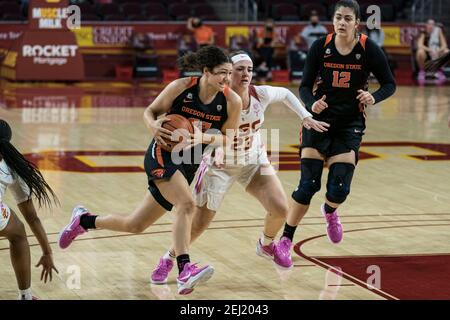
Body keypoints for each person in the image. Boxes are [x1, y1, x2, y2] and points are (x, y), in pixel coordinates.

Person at [58, 45, 242, 295]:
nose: (227, 79)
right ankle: (185, 270)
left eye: (230, 73)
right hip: (162, 154)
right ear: (206, 72)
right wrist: (153, 126)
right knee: (187, 205)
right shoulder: (181, 87)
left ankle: (84, 220)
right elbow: (150, 112)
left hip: (189, 161)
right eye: (222, 72)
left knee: (136, 224)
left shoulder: (231, 101)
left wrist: (201, 138)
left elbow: (228, 139)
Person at [149, 51, 329, 284]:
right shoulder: (218, 99)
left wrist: (305, 116)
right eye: (240, 69)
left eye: (250, 69)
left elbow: (285, 93)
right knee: (199, 225)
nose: (246, 74)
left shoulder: (260, 94)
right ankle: (169, 258)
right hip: (219, 165)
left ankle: (266, 245)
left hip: (253, 159)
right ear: (227, 73)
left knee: (280, 209)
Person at [278, 0, 396, 264]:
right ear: (333, 20)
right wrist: (311, 104)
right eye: (338, 18)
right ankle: (285, 239)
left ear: (357, 23)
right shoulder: (320, 46)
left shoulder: (368, 48)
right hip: (318, 121)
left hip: (349, 125)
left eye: (347, 19)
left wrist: (373, 97)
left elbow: (390, 84)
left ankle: (330, 211)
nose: (342, 23)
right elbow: (305, 87)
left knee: (339, 188)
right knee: (307, 185)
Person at [0, 119, 59, 300]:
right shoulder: (12, 165)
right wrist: (47, 252)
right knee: (18, 234)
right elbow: (32, 218)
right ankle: (25, 296)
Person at [416, 19, 449, 83]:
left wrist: (438, 51)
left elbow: (444, 45)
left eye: (432, 24)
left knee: (447, 52)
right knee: (420, 52)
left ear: (434, 26)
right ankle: (422, 71)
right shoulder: (423, 32)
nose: (431, 26)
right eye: (429, 24)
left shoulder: (438, 31)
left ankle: (440, 70)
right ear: (426, 25)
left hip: (437, 54)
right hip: (427, 54)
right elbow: (420, 45)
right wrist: (430, 50)